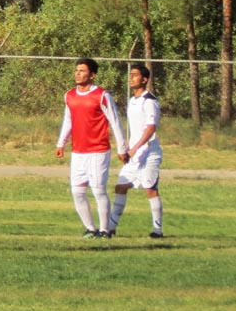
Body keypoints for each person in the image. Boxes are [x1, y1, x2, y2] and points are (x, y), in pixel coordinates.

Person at [55, 57, 129, 239]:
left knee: (98, 190)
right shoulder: (69, 95)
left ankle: (104, 230)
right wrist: (61, 142)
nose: (77, 74)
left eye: (82, 71)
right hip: (78, 152)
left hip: (98, 150)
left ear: (92, 75)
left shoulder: (102, 96)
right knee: (77, 191)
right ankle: (90, 228)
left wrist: (121, 149)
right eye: (76, 70)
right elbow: (68, 120)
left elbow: (115, 122)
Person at [109, 64, 164, 238]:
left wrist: (134, 148)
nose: (131, 77)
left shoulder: (149, 101)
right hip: (134, 153)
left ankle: (157, 231)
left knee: (150, 189)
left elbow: (150, 128)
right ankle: (111, 228)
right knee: (121, 187)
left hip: (149, 153)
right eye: (130, 74)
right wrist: (127, 147)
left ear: (144, 79)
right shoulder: (132, 100)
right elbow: (135, 129)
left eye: (135, 75)